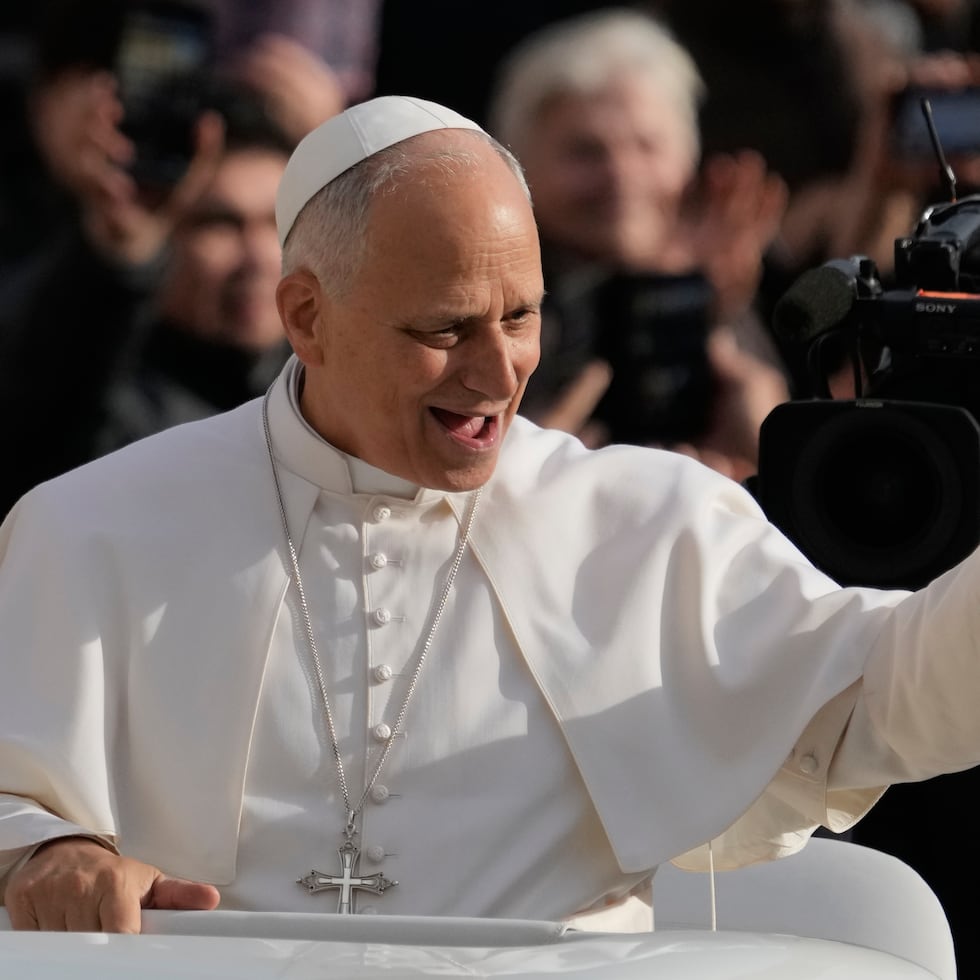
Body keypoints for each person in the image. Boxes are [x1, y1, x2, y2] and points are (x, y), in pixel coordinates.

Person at [3, 94, 980, 937]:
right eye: (443, 328)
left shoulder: (639, 524)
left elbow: (880, 698)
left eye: (520, 315)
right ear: (305, 315)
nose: (498, 370)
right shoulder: (93, 526)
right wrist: (41, 853)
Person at [485, 8, 790, 481]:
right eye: (586, 151)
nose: (622, 177)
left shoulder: (723, 274)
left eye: (647, 146)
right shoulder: (486, 294)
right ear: (518, 161)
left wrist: (715, 322)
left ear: (688, 157)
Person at [0, 76, 297, 520]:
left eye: (279, 222)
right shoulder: (102, 400)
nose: (257, 256)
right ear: (162, 229)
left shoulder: (332, 395)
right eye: (219, 224)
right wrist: (118, 252)